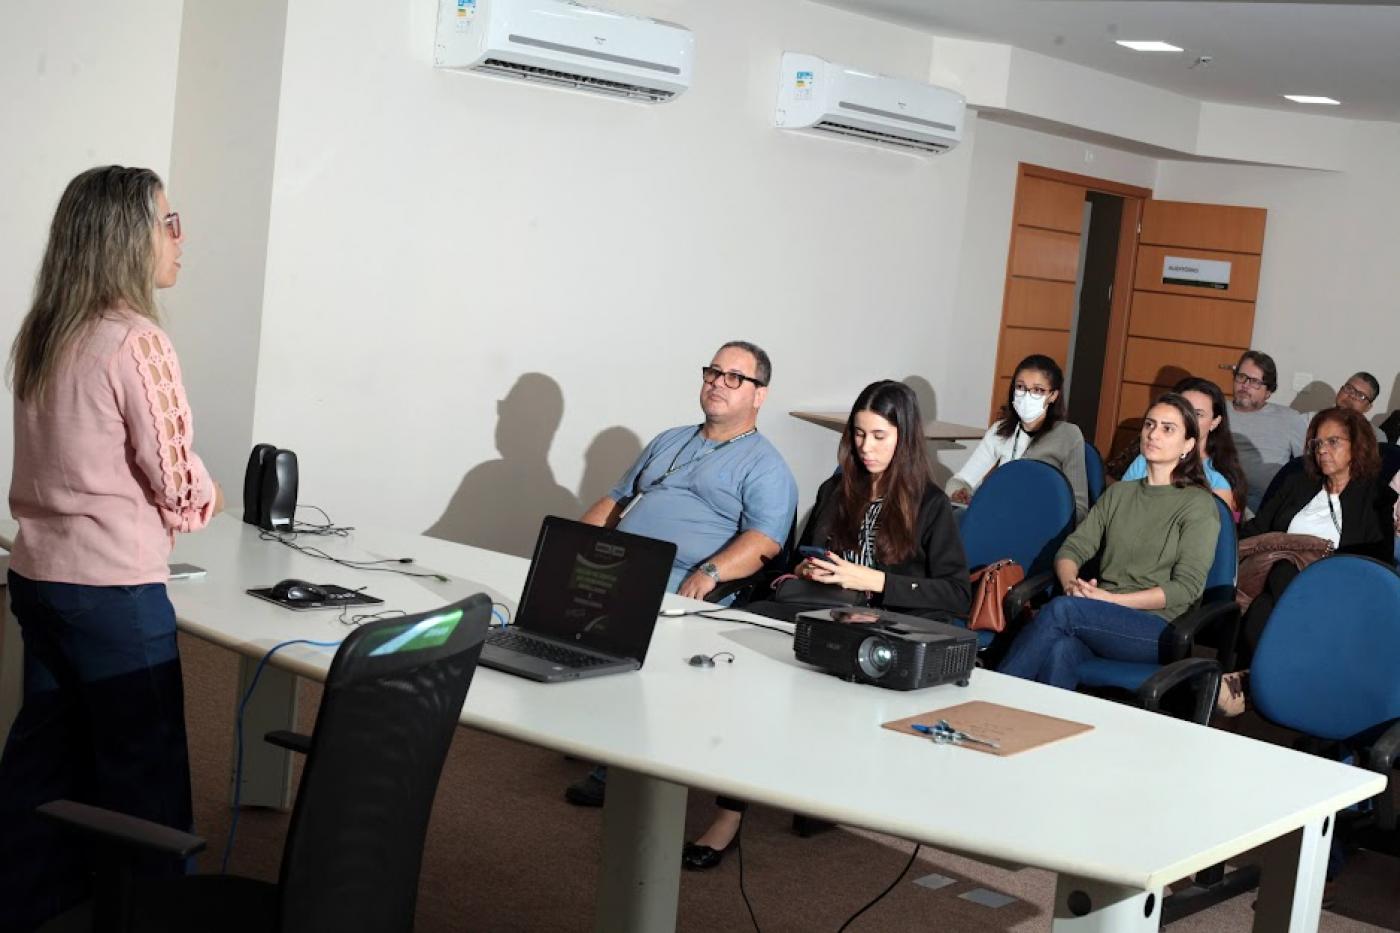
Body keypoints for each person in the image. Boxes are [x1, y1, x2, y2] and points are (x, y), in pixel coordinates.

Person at [0, 166, 223, 932]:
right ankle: (161, 921)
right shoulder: (138, 341)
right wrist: (208, 490)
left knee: (45, 761)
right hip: (115, 598)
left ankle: (29, 909)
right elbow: (181, 489)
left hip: (36, 579)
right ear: (128, 236)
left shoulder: (45, 332)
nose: (179, 237)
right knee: (149, 784)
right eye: (167, 221)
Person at [681, 380, 970, 871]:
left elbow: (956, 593)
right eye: (859, 435)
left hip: (881, 626)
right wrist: (806, 570)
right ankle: (735, 800)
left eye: (879, 436)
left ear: (904, 437)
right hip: (822, 611)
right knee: (742, 646)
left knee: (798, 672)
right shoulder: (838, 487)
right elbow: (801, 558)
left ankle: (750, 809)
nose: (866, 447)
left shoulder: (930, 504)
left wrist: (871, 578)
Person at [564, 340, 798, 807]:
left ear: (759, 394)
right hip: (624, 565)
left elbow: (766, 541)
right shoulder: (669, 440)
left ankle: (620, 765)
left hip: (684, 581)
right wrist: (570, 549)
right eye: (713, 372)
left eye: (735, 377)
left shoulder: (765, 466)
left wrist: (710, 571)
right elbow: (614, 500)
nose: (718, 383)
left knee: (631, 626)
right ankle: (590, 730)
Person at [998, 394, 1220, 691]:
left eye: (1168, 429)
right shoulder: (1120, 494)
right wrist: (1071, 586)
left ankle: (990, 697)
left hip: (1158, 628)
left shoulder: (1199, 505)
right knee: (1060, 650)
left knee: (1062, 612)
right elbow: (1072, 550)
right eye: (1150, 425)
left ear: (1188, 445)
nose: (1153, 434)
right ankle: (1045, 732)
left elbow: (1185, 588)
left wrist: (1111, 601)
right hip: (1099, 615)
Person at [1218, 407, 1398, 713]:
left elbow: (1374, 561)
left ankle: (1253, 682)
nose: (1323, 450)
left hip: (1335, 592)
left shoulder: (1375, 496)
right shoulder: (1297, 483)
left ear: (1357, 445)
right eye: (1317, 443)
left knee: (1278, 581)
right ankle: (1269, 680)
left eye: (1333, 442)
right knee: (1272, 589)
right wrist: (1216, 526)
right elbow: (1258, 529)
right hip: (1276, 583)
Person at [947, 355, 1088, 520]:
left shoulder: (1068, 435)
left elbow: (1079, 509)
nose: (1027, 396)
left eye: (1038, 390)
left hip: (1039, 524)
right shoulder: (1000, 430)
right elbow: (961, 480)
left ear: (1053, 396)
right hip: (995, 516)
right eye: (1021, 387)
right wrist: (959, 493)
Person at [1118, 377, 1247, 518]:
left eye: (1198, 414)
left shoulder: (1219, 481)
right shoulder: (1146, 458)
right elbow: (1118, 509)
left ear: (1214, 422)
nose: (1187, 419)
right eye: (1182, 410)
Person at [1229, 350, 1308, 513]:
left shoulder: (1289, 418)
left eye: (1254, 382)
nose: (1245, 385)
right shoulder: (1216, 410)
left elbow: (1306, 465)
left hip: (1263, 503)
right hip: (1216, 494)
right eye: (1241, 377)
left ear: (1269, 392)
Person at [1335, 371, 1385, 441]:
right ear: (1340, 390)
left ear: (1368, 407)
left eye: (1361, 396)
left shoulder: (1374, 436)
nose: (1351, 396)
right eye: (1349, 388)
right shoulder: (1316, 419)